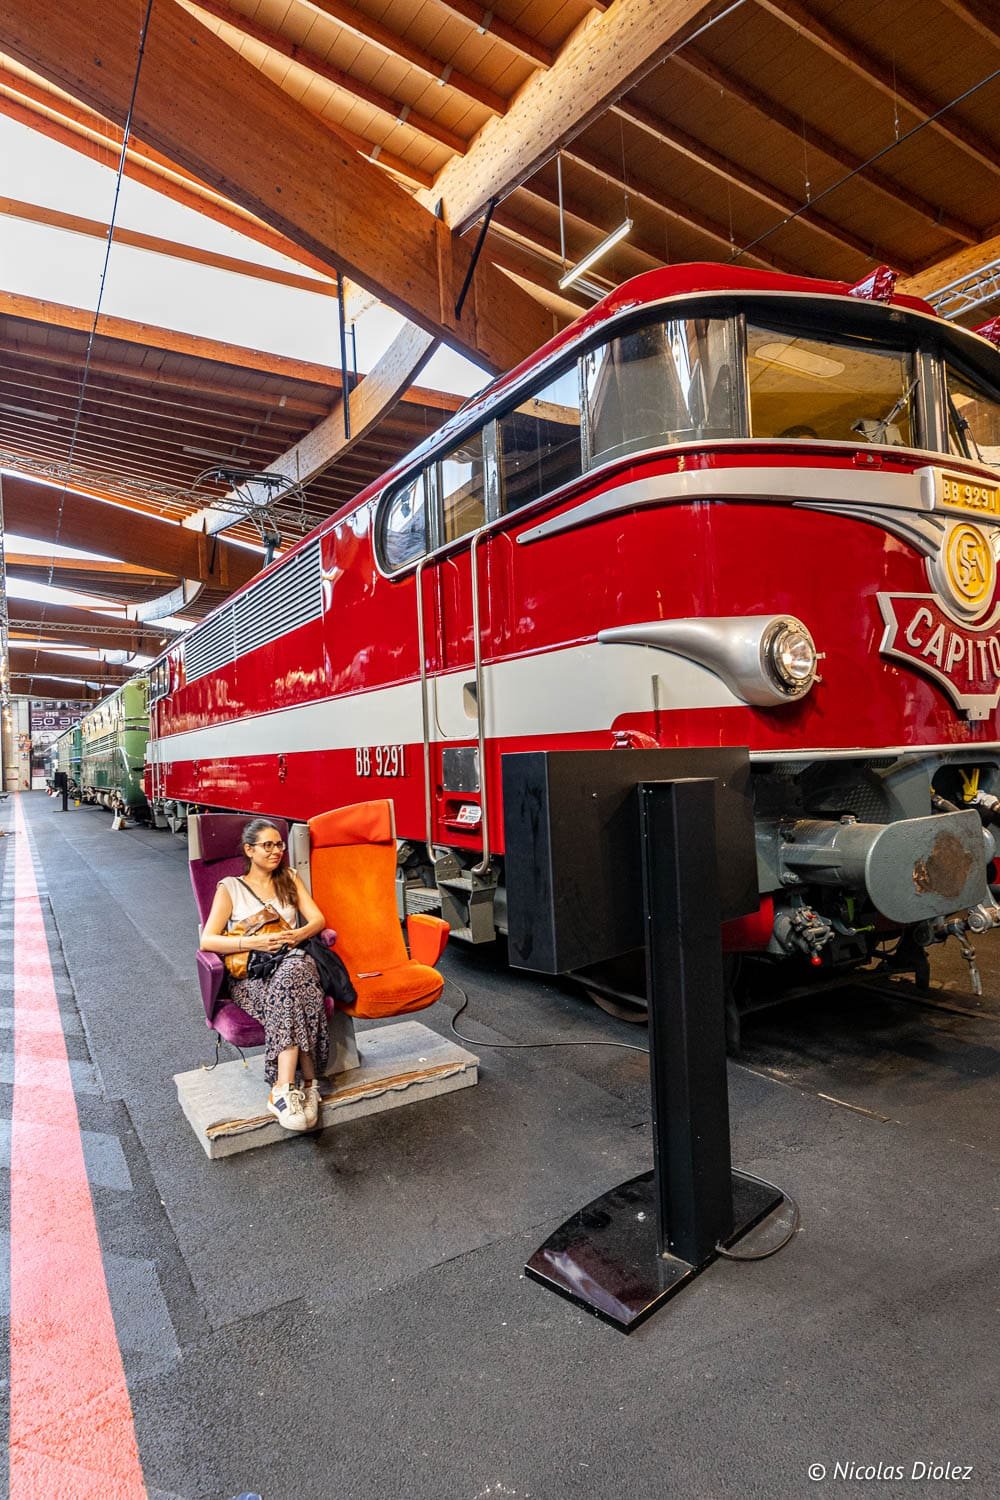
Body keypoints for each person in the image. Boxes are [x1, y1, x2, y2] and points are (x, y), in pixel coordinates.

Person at [200, 818, 329, 1132]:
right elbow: (208, 940)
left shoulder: (289, 878)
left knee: (294, 972)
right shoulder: (230, 887)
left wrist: (296, 935)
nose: (276, 851)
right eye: (267, 845)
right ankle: (308, 1083)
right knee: (296, 989)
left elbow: (317, 920)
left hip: (293, 960)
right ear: (249, 850)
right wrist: (253, 942)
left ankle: (282, 1090)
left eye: (279, 844)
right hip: (252, 976)